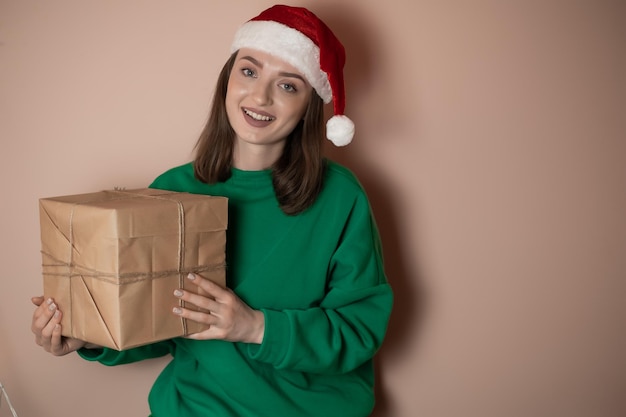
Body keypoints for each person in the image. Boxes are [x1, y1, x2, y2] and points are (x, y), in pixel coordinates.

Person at [31, 4, 393, 417]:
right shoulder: (172, 190)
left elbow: (360, 328)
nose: (260, 96)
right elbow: (157, 321)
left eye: (288, 85)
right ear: (228, 78)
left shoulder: (340, 198)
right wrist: (87, 336)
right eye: (249, 71)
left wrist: (256, 326)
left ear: (310, 105)